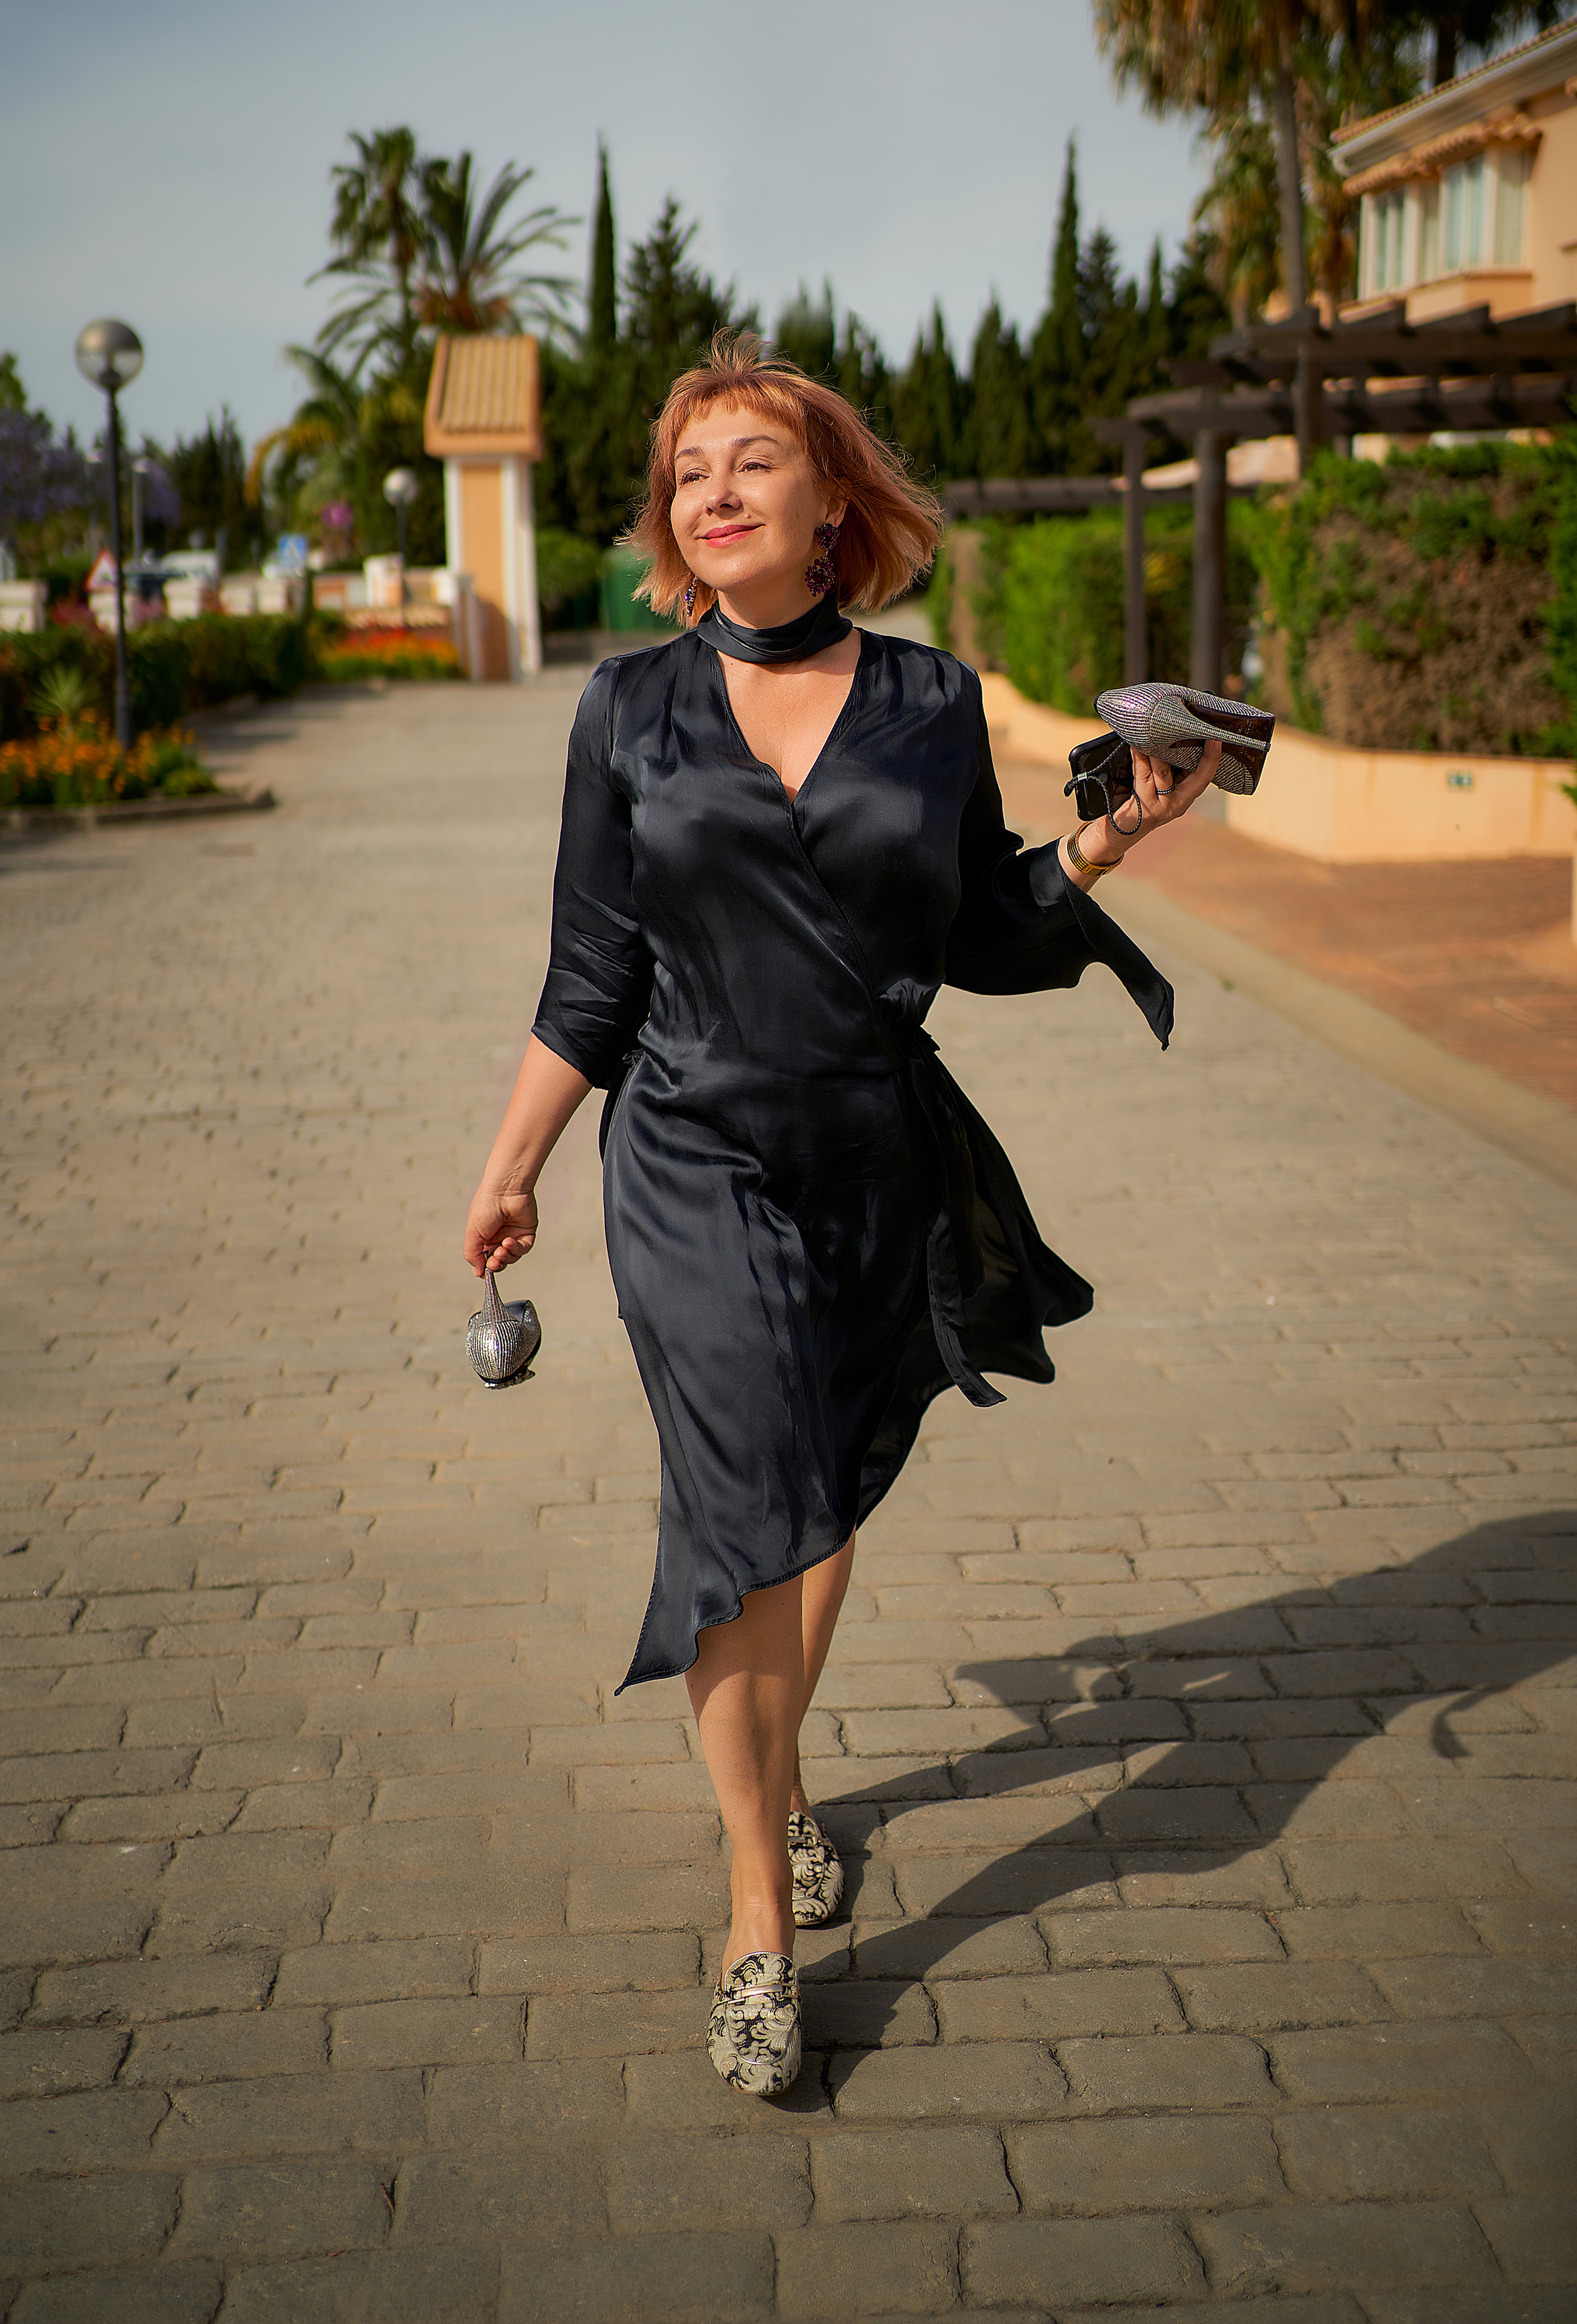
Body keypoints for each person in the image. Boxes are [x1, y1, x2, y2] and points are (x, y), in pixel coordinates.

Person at [464, 332, 1219, 2098]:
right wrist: (510, 1164)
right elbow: (590, 976)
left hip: (870, 1164)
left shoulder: (929, 704)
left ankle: (779, 1778)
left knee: (808, 1510)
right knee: (740, 1509)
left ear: (831, 503)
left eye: (748, 461)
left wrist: (1105, 851)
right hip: (685, 1160)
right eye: (688, 472)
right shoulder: (627, 709)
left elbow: (977, 933)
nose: (710, 492)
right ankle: (756, 1910)